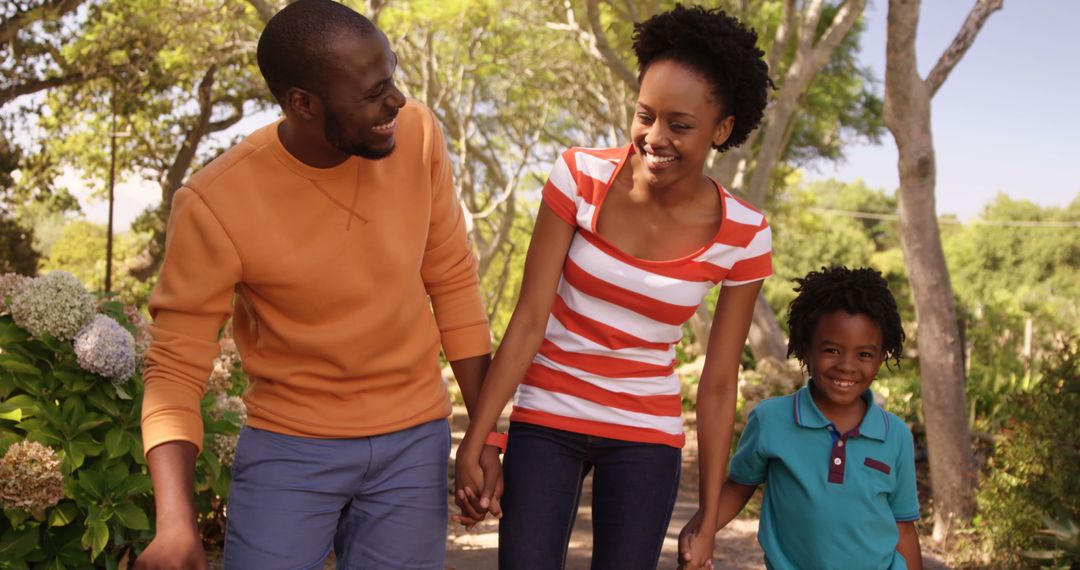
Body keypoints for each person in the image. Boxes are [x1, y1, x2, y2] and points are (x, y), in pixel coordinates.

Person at [133, 1, 496, 568]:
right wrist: (175, 524)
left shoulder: (417, 133)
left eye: (392, 76)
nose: (397, 101)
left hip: (414, 441)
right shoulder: (215, 203)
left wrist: (484, 433)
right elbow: (176, 367)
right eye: (373, 92)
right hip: (290, 447)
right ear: (302, 103)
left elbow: (451, 280)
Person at [453, 5, 774, 569]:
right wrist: (479, 437)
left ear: (722, 130)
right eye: (645, 115)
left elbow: (721, 382)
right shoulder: (579, 177)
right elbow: (529, 320)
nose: (654, 137)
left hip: (645, 431)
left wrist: (708, 516)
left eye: (680, 124)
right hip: (547, 413)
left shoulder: (745, 235)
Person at [678, 266, 923, 569]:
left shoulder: (895, 435)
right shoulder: (771, 420)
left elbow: (902, 528)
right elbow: (737, 487)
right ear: (805, 347)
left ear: (882, 355)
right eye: (832, 350)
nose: (847, 366)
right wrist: (698, 532)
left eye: (864, 355)